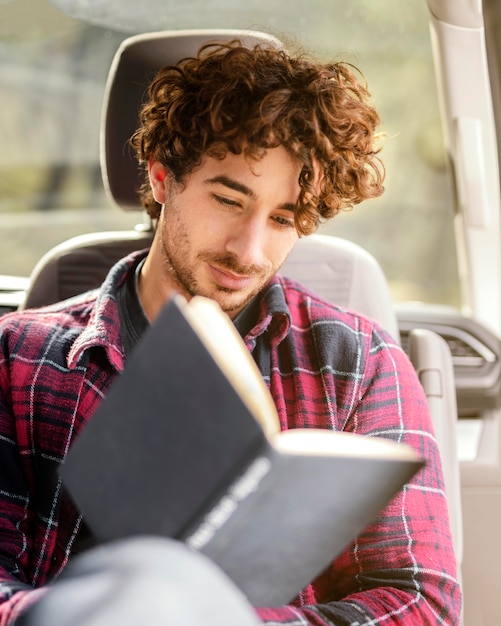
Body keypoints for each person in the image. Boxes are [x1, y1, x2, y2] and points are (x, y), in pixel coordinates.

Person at [0, 39, 461, 624]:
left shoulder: (360, 366)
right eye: (227, 198)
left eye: (283, 219)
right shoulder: (18, 357)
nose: (250, 249)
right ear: (163, 178)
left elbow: (422, 603)